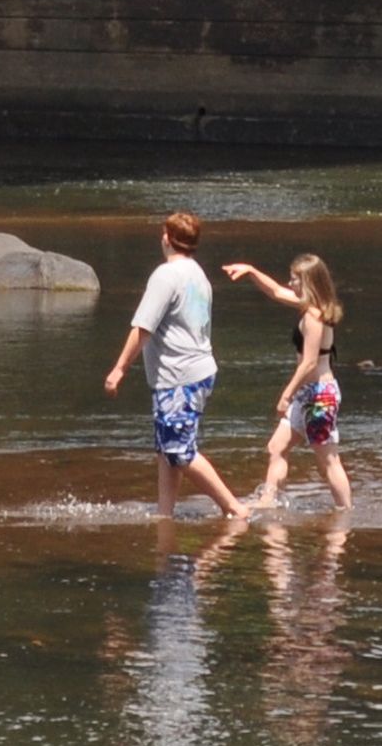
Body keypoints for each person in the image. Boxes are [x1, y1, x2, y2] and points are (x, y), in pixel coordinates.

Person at [102, 210, 249, 524]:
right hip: (196, 372)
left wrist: (119, 369)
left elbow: (143, 327)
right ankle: (164, 514)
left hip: (180, 376)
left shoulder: (165, 275)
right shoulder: (198, 274)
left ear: (167, 239)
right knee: (166, 451)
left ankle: (233, 508)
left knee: (178, 450)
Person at [222, 250, 351, 517]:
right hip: (308, 394)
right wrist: (251, 270)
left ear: (310, 283)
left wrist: (286, 394)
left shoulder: (314, 316)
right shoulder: (311, 306)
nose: (290, 283)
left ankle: (346, 513)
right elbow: (276, 292)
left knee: (327, 459)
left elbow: (310, 363)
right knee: (276, 448)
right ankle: (269, 501)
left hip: (320, 397)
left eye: (295, 279)